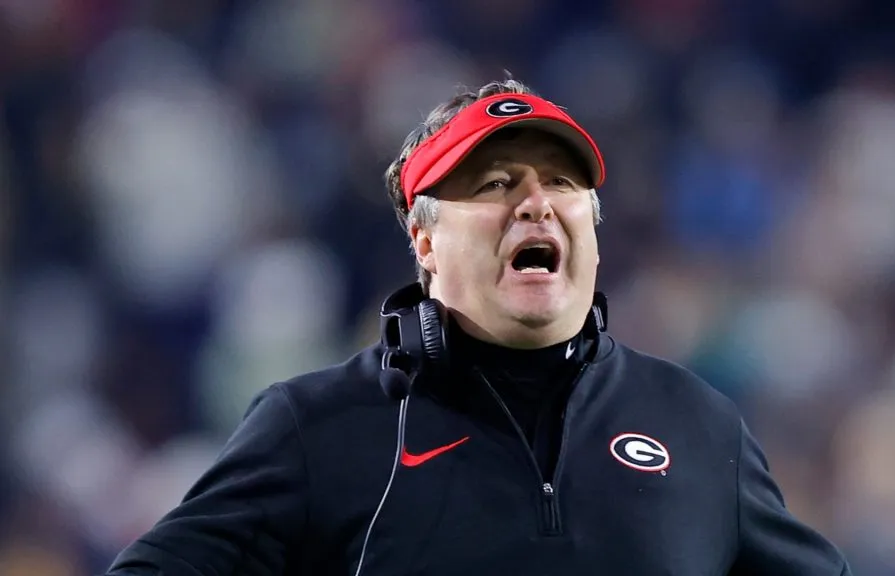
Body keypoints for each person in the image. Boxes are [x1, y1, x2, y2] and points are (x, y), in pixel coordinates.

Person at [104, 78, 853, 575]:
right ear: (425, 241)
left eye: (561, 182)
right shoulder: (318, 428)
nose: (536, 203)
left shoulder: (697, 425)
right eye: (496, 184)